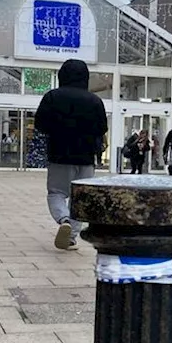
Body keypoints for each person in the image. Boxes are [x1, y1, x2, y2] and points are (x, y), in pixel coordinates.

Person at [35, 59, 108, 251]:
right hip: (86, 158)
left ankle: (63, 219)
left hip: (59, 154)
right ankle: (72, 237)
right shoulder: (94, 101)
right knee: (80, 199)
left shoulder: (52, 97)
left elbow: (39, 125)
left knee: (57, 193)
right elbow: (102, 128)